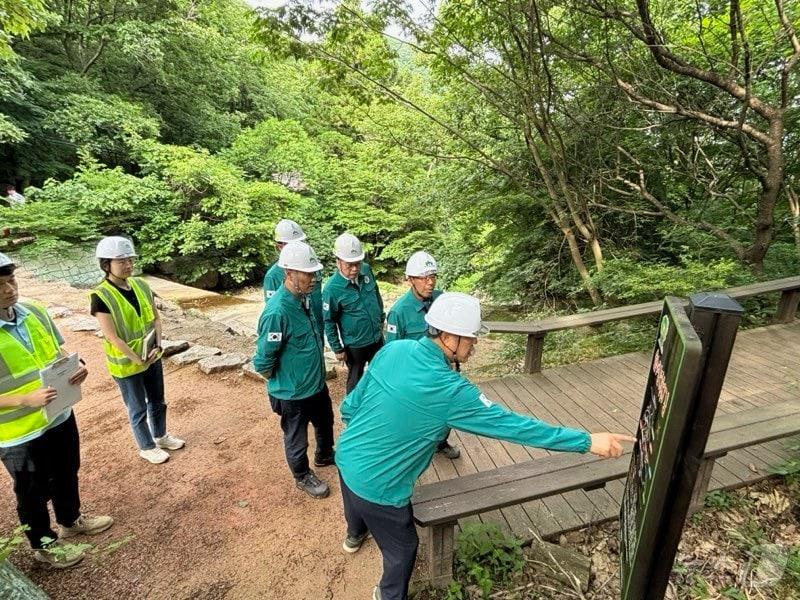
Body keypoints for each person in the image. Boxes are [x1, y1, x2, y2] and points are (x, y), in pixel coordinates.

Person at [335, 292, 635, 600]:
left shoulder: (394, 349)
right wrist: (586, 441)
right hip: (381, 487)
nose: (475, 344)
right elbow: (515, 427)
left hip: (346, 455)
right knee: (404, 548)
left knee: (356, 501)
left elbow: (351, 405)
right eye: (471, 338)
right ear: (448, 335)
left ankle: (355, 535)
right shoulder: (451, 390)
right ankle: (387, 595)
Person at [0, 252, 113, 568]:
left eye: (11, 280)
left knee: (66, 471)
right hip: (18, 432)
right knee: (31, 492)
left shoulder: (34, 310)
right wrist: (24, 400)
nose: (9, 289)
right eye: (0, 285)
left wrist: (76, 367)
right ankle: (44, 548)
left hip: (60, 413)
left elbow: (57, 351)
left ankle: (70, 520)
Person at [90, 236, 184, 464]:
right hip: (127, 363)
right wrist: (137, 358)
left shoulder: (142, 285)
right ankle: (146, 446)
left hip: (152, 355)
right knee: (137, 407)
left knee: (158, 400)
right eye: (121, 262)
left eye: (130, 260)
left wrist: (158, 346)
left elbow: (156, 319)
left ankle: (160, 435)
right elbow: (111, 336)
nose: (128, 265)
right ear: (106, 265)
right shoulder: (100, 295)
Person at [254, 241, 335, 499]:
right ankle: (302, 475)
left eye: (314, 273)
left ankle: (324, 455)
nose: (313, 279)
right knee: (296, 436)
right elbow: (263, 361)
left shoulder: (305, 299)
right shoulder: (277, 312)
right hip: (292, 392)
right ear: (289, 274)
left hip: (315, 384)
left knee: (325, 421)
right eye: (307, 273)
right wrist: (282, 384)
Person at [385, 251, 459, 460]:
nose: (430, 283)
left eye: (433, 277)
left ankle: (440, 442)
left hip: (441, 372)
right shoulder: (398, 312)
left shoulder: (441, 300)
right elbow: (392, 352)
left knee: (445, 412)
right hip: (415, 377)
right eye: (424, 278)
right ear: (410, 280)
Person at [322, 233, 385, 393]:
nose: (355, 268)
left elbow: (376, 294)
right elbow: (328, 321)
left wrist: (381, 317)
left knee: (381, 375)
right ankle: (353, 412)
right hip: (355, 345)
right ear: (338, 262)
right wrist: (338, 349)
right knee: (355, 380)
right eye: (349, 264)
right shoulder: (332, 289)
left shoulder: (366, 270)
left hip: (376, 337)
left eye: (357, 263)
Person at [262, 219, 324, 338]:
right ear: (279, 246)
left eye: (300, 242)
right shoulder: (273, 276)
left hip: (317, 330)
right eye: (292, 244)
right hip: (297, 337)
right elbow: (274, 314)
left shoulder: (312, 267)